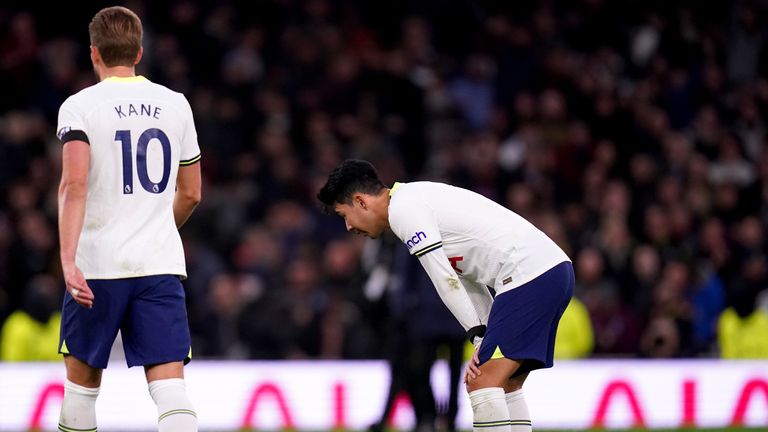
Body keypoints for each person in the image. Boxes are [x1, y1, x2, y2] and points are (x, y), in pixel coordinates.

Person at [317, 160, 574, 432]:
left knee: (481, 381)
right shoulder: (414, 199)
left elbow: (445, 280)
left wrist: (476, 334)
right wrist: (484, 332)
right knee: (505, 383)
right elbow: (469, 278)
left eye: (344, 215)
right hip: (550, 271)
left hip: (529, 275)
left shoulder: (403, 211)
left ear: (360, 201)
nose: (348, 227)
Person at [56, 6, 201, 432]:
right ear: (139, 52)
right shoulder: (175, 104)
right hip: (158, 266)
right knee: (170, 389)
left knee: (81, 391)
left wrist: (67, 261)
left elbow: (74, 185)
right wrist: (153, 228)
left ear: (93, 53)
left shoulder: (79, 107)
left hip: (95, 268)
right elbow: (191, 192)